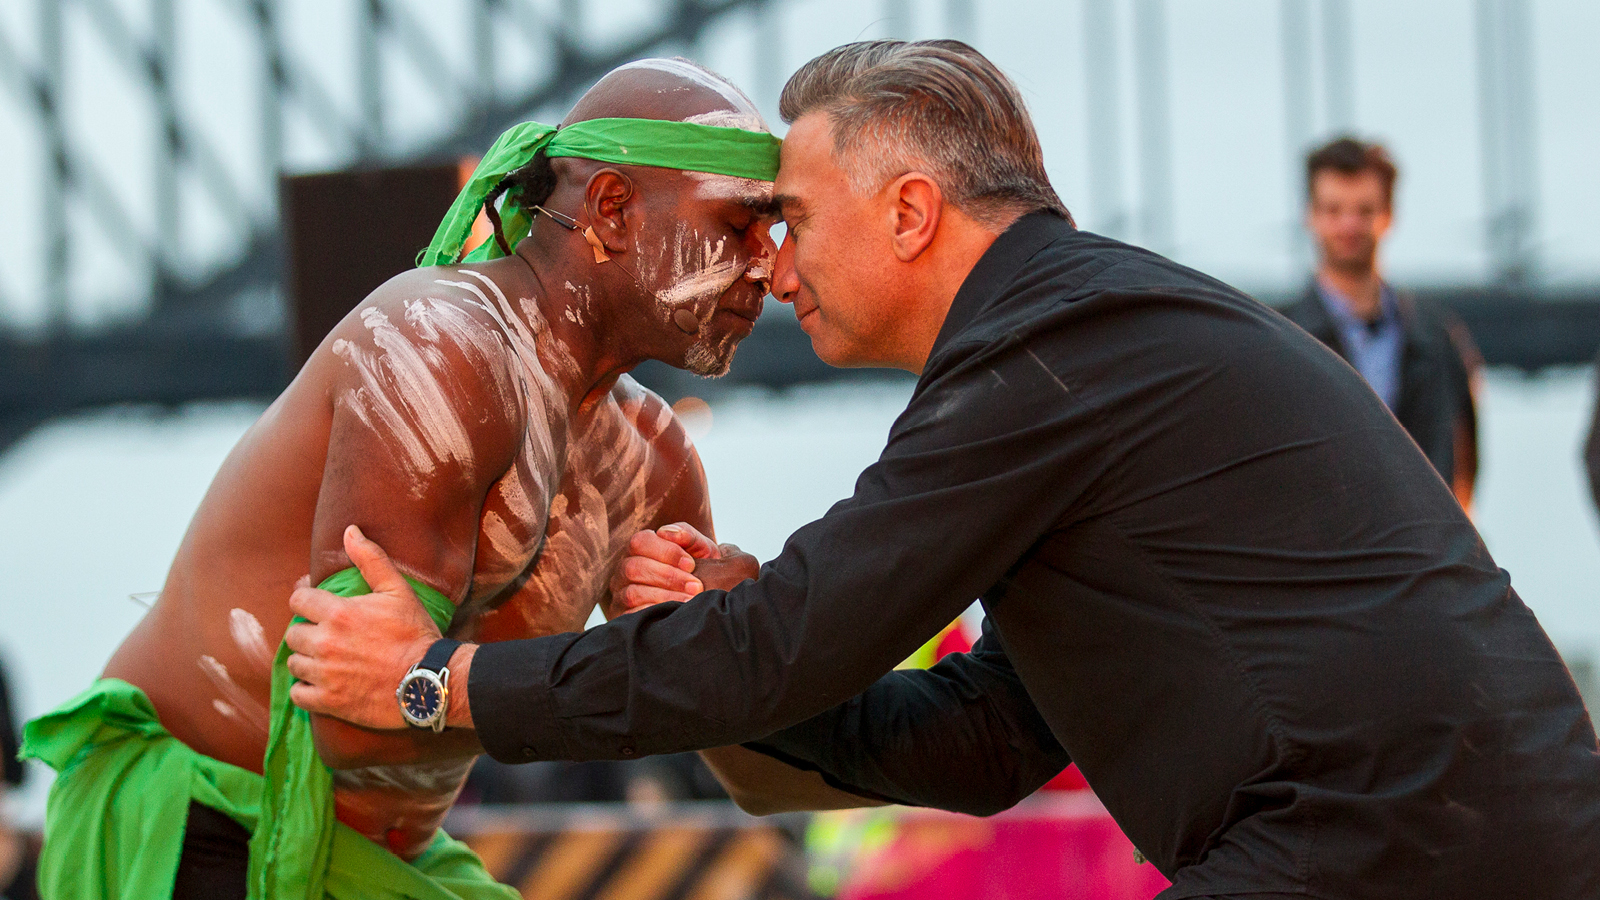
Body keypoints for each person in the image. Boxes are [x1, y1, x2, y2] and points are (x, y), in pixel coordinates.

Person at [283, 40, 1600, 900]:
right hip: (1448, 836)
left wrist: (434, 684)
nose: (772, 270)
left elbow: (788, 638)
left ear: (910, 213)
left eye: (792, 221)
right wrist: (726, 645)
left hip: (1388, 846)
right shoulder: (1084, 347)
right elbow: (984, 743)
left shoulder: (1041, 357)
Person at [19, 58, 781, 900]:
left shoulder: (652, 460)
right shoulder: (440, 348)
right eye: (744, 223)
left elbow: (751, 777)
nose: (772, 268)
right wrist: (623, 672)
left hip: (387, 862)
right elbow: (353, 720)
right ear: (611, 210)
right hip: (204, 823)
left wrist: (725, 641)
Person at [1280, 137, 1482, 509]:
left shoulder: (1438, 338)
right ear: (1310, 215)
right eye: (1333, 210)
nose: (1348, 224)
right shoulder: (1279, 341)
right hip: (1327, 559)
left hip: (1427, 557)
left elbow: (1465, 460)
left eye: (1363, 210)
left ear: (1388, 215)